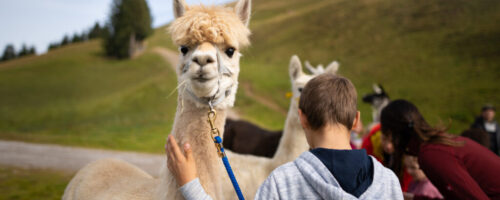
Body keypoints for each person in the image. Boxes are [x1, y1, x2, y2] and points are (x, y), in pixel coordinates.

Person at [166, 74, 403, 199]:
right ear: (356, 121)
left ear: (302, 119)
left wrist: (190, 185)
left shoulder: (284, 182)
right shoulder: (388, 183)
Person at [380, 99, 500, 200]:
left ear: (392, 134)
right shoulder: (436, 145)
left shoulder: (432, 154)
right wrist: (411, 198)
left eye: (385, 134)